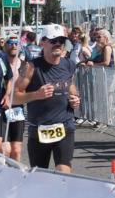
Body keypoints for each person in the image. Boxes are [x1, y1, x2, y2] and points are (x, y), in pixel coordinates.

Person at [13, 24, 80, 174]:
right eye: (53, 40)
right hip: (39, 130)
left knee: (64, 174)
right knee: (40, 177)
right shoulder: (31, 67)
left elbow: (71, 86)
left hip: (65, 127)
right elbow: (14, 97)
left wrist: (75, 99)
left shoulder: (69, 65)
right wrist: (36, 95)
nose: (58, 44)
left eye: (61, 41)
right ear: (42, 42)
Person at [1, 37, 26, 163]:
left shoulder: (25, 65)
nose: (14, 46)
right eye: (11, 43)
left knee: (16, 151)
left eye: (17, 43)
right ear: (5, 46)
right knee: (5, 149)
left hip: (17, 108)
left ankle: (16, 177)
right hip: (1, 107)